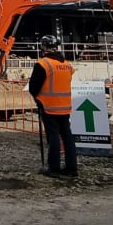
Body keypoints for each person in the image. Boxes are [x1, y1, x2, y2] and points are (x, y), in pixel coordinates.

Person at [28, 35, 78, 178]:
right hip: (65, 106)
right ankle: (72, 168)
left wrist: (38, 99)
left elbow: (33, 87)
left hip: (49, 106)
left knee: (53, 137)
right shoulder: (67, 65)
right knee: (67, 136)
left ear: (43, 46)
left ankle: (53, 168)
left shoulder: (43, 64)